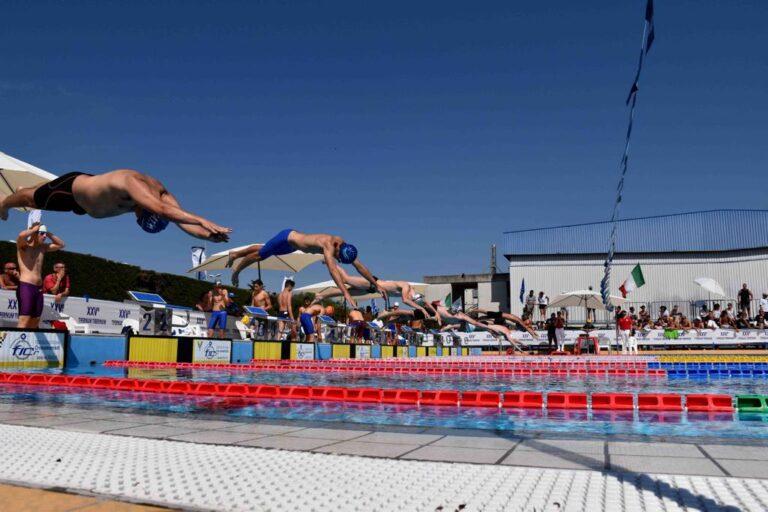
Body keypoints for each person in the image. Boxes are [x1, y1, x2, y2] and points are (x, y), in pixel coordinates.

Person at [0, 170, 231, 242]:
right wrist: (202, 219)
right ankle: (5, 203)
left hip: (87, 206)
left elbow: (178, 219)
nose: (135, 213)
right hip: (73, 191)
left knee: (40, 191)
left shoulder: (163, 196)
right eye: (139, 215)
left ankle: (32, 190)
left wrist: (208, 236)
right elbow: (163, 212)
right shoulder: (134, 185)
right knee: (30, 199)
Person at [226, 229, 385, 306]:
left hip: (292, 246)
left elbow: (360, 266)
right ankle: (237, 270)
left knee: (264, 249)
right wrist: (346, 293)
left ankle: (235, 254)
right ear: (337, 248)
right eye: (338, 256)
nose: (338, 259)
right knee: (260, 255)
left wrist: (376, 284)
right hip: (287, 237)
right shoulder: (329, 246)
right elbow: (333, 271)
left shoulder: (345, 248)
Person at [311, 265, 427, 316]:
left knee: (344, 292)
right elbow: (405, 300)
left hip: (370, 290)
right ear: (415, 295)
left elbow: (392, 292)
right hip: (372, 282)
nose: (412, 301)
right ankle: (330, 262)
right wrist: (421, 308)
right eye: (414, 300)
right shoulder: (406, 286)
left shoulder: (407, 292)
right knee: (345, 279)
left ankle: (321, 296)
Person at [15, 224, 65, 328]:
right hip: (26, 286)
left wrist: (48, 233)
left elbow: (61, 244)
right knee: (24, 320)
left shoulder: (43, 248)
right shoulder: (24, 246)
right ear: (34, 234)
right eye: (42, 234)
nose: (44, 236)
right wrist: (33, 229)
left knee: (35, 320)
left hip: (38, 289)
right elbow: (20, 236)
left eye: (45, 234)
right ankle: (13, 344)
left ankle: (29, 344)